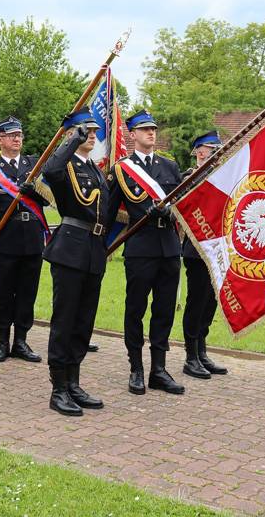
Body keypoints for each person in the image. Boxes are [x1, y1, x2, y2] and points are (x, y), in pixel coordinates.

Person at [107, 109, 184, 396]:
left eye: (153, 129)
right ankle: (136, 368)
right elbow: (110, 211)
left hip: (168, 247)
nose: (152, 133)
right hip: (140, 247)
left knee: (164, 310)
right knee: (136, 309)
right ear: (133, 134)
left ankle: (159, 370)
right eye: (145, 129)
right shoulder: (122, 169)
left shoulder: (169, 167)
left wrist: (171, 211)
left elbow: (182, 205)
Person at [41, 109, 109, 416]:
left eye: (94, 131)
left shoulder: (94, 168)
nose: (92, 135)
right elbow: (50, 171)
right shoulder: (65, 165)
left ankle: (74, 381)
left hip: (94, 249)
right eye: (86, 131)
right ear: (73, 134)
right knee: (65, 319)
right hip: (70, 248)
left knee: (84, 322)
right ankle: (58, 388)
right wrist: (71, 140)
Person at [0, 116, 49, 363]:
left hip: (31, 239)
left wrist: (36, 192)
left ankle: (21, 340)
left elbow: (49, 198)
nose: (17, 139)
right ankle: (2, 340)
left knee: (27, 291)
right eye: (11, 135)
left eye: (19, 135)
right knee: (3, 292)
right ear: (0, 140)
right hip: (4, 238)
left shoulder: (34, 165)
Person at [181, 131, 227, 380]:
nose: (218, 154)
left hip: (218, 250)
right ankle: (190, 356)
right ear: (200, 153)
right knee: (197, 302)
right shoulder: (190, 177)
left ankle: (202, 349)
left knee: (210, 302)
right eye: (213, 150)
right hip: (197, 250)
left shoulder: (222, 178)